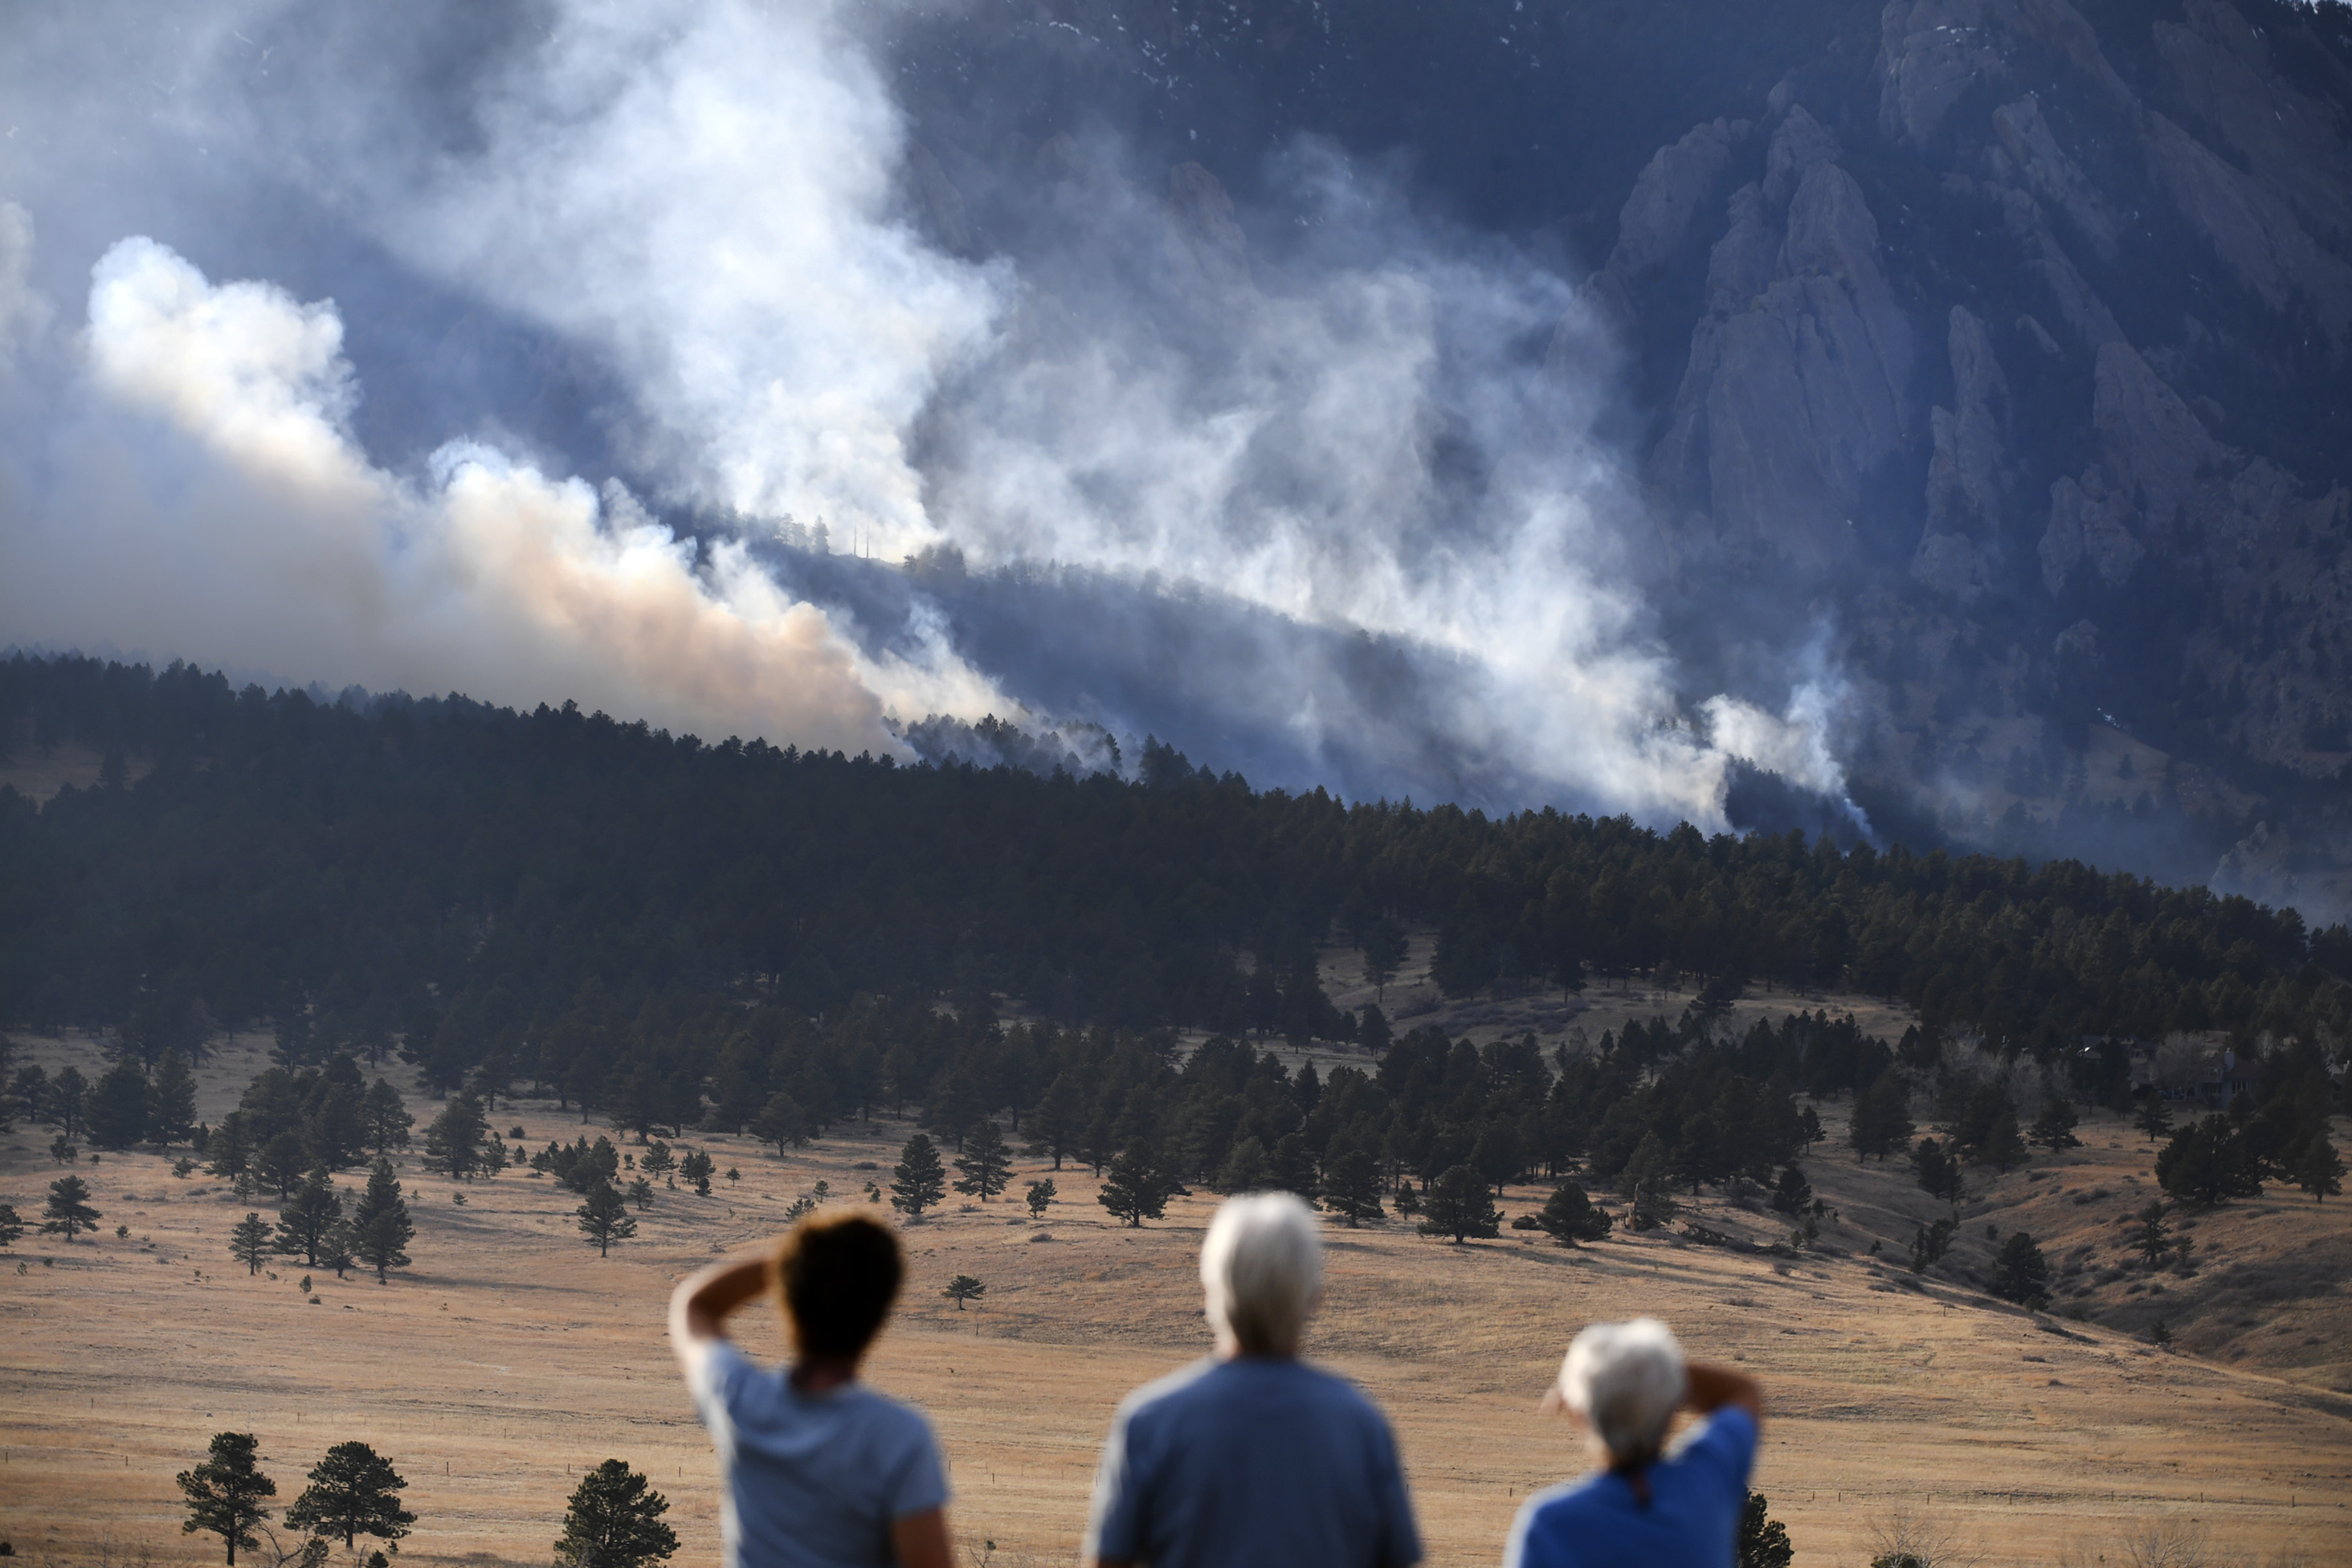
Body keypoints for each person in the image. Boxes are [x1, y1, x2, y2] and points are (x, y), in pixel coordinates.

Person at [1082, 1191, 1422, 1568]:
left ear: (1212, 1288)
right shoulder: (1361, 1424)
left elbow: (1108, 1560)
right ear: (1313, 1297)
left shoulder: (1150, 1421)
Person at [670, 1212, 953, 1568]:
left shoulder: (739, 1398)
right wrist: (853, 1276)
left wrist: (798, 1266)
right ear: (879, 1313)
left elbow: (696, 1304)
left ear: (790, 1299)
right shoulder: (897, 1435)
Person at [1503, 1318, 1762, 1568]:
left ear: (1577, 1416)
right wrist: (1655, 1376)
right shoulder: (1707, 1487)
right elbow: (1742, 1393)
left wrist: (1596, 1381)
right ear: (1672, 1410)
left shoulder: (1551, 1528)